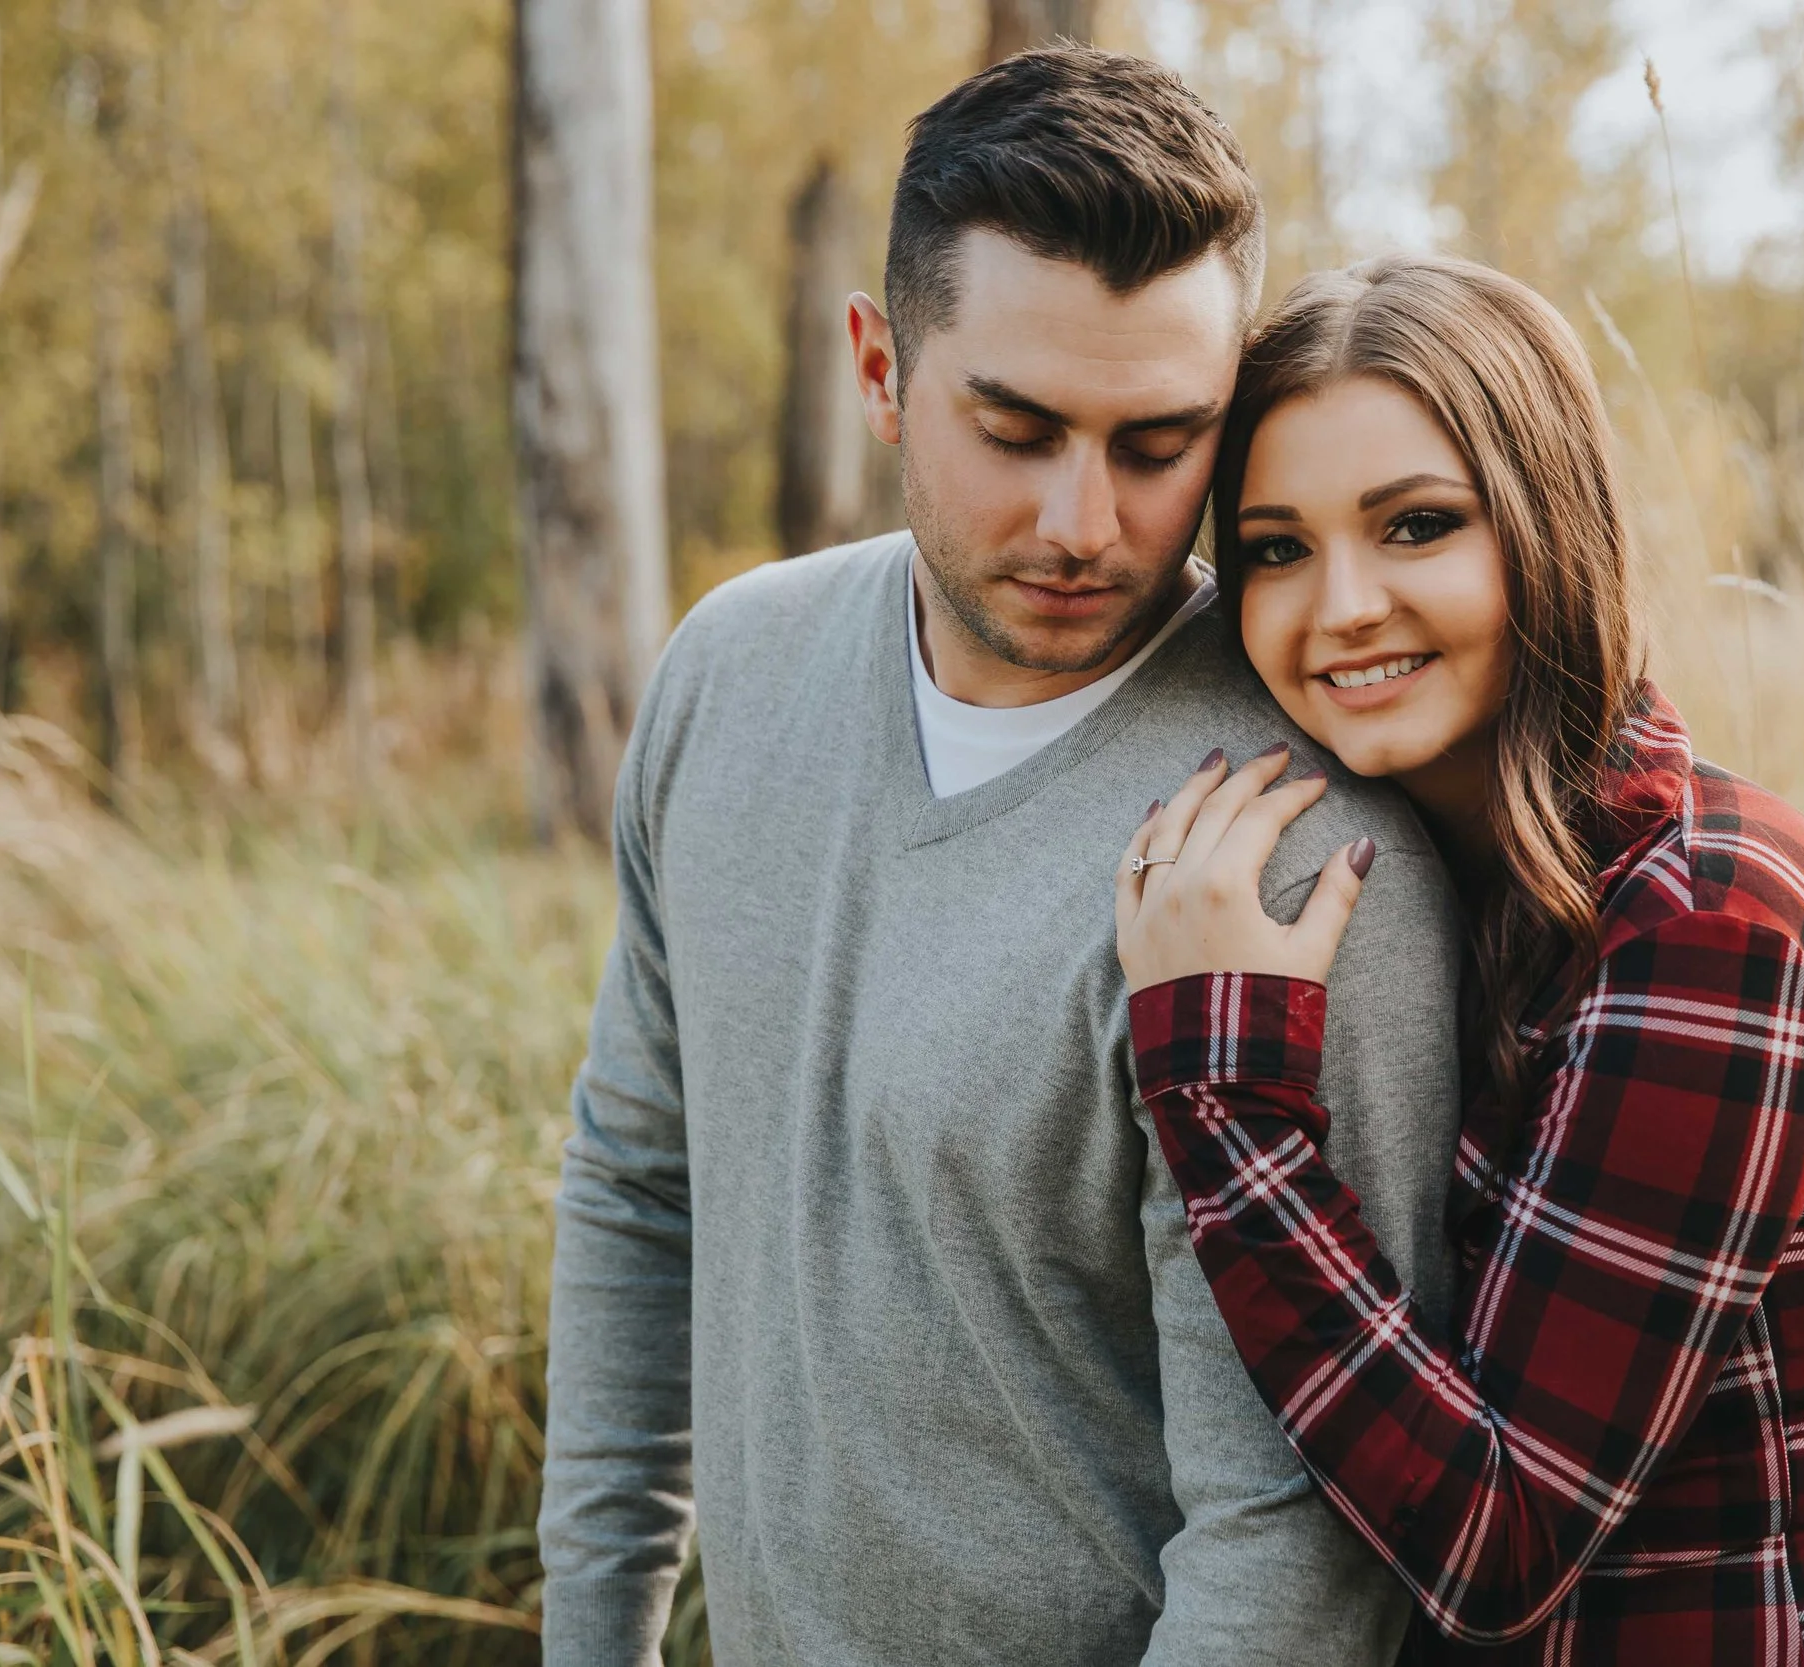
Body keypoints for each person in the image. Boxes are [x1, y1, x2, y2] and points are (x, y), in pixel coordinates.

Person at [538, 49, 1467, 1667]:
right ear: (880, 365)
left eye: (1159, 440)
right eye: (1016, 426)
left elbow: (1294, 1550)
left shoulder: (1297, 859)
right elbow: (639, 1185)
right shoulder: (725, 674)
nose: (1082, 521)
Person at [1115, 254, 1804, 1664]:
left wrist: (1224, 1101)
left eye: (1416, 526)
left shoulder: (1713, 926)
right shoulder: (1449, 893)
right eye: (1275, 547)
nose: (1339, 605)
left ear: (1547, 524)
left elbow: (1497, 1540)